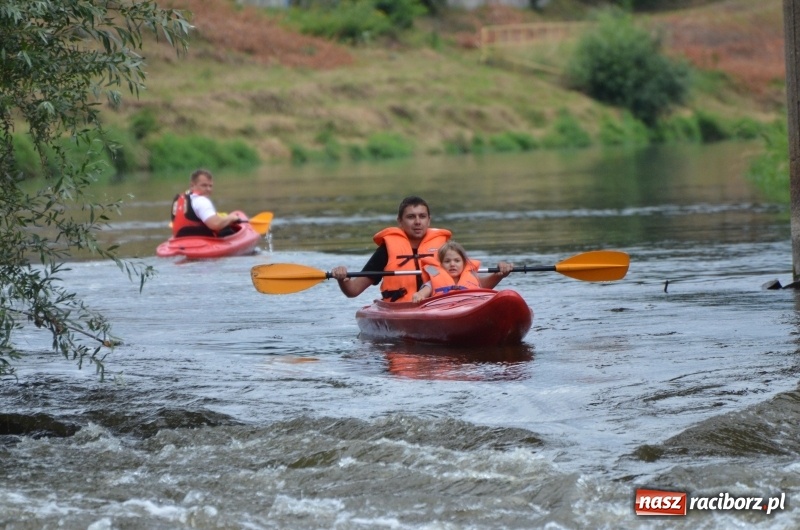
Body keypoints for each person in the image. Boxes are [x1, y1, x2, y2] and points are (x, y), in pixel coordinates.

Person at [330, 196, 513, 301]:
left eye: (422, 216)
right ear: (400, 221)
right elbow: (353, 291)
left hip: (441, 306)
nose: (417, 222)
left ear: (429, 220)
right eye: (411, 217)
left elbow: (474, 284)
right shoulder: (387, 250)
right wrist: (342, 279)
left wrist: (499, 274)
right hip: (403, 310)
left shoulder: (444, 248)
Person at [170, 169, 243, 238]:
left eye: (210, 186)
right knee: (226, 230)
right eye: (204, 185)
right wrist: (232, 218)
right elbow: (215, 224)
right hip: (202, 241)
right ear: (192, 186)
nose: (208, 189)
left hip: (180, 240)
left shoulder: (181, 199)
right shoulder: (201, 201)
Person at [411, 241, 481, 303]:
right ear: (440, 264)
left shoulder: (473, 279)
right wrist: (418, 295)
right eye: (447, 261)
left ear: (464, 263)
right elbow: (422, 293)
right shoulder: (432, 283)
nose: (452, 264)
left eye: (457, 261)